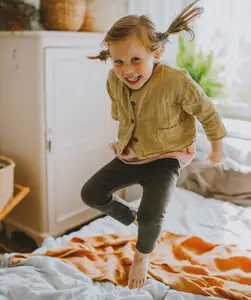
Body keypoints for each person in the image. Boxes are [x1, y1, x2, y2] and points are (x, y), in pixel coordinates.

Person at [81, 0, 227, 289]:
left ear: (156, 53)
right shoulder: (113, 80)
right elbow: (118, 110)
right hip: (131, 155)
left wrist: (217, 147)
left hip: (166, 157)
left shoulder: (176, 81)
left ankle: (141, 256)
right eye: (119, 61)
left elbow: (207, 111)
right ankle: (132, 218)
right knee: (91, 193)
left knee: (152, 219)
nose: (127, 70)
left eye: (136, 60)